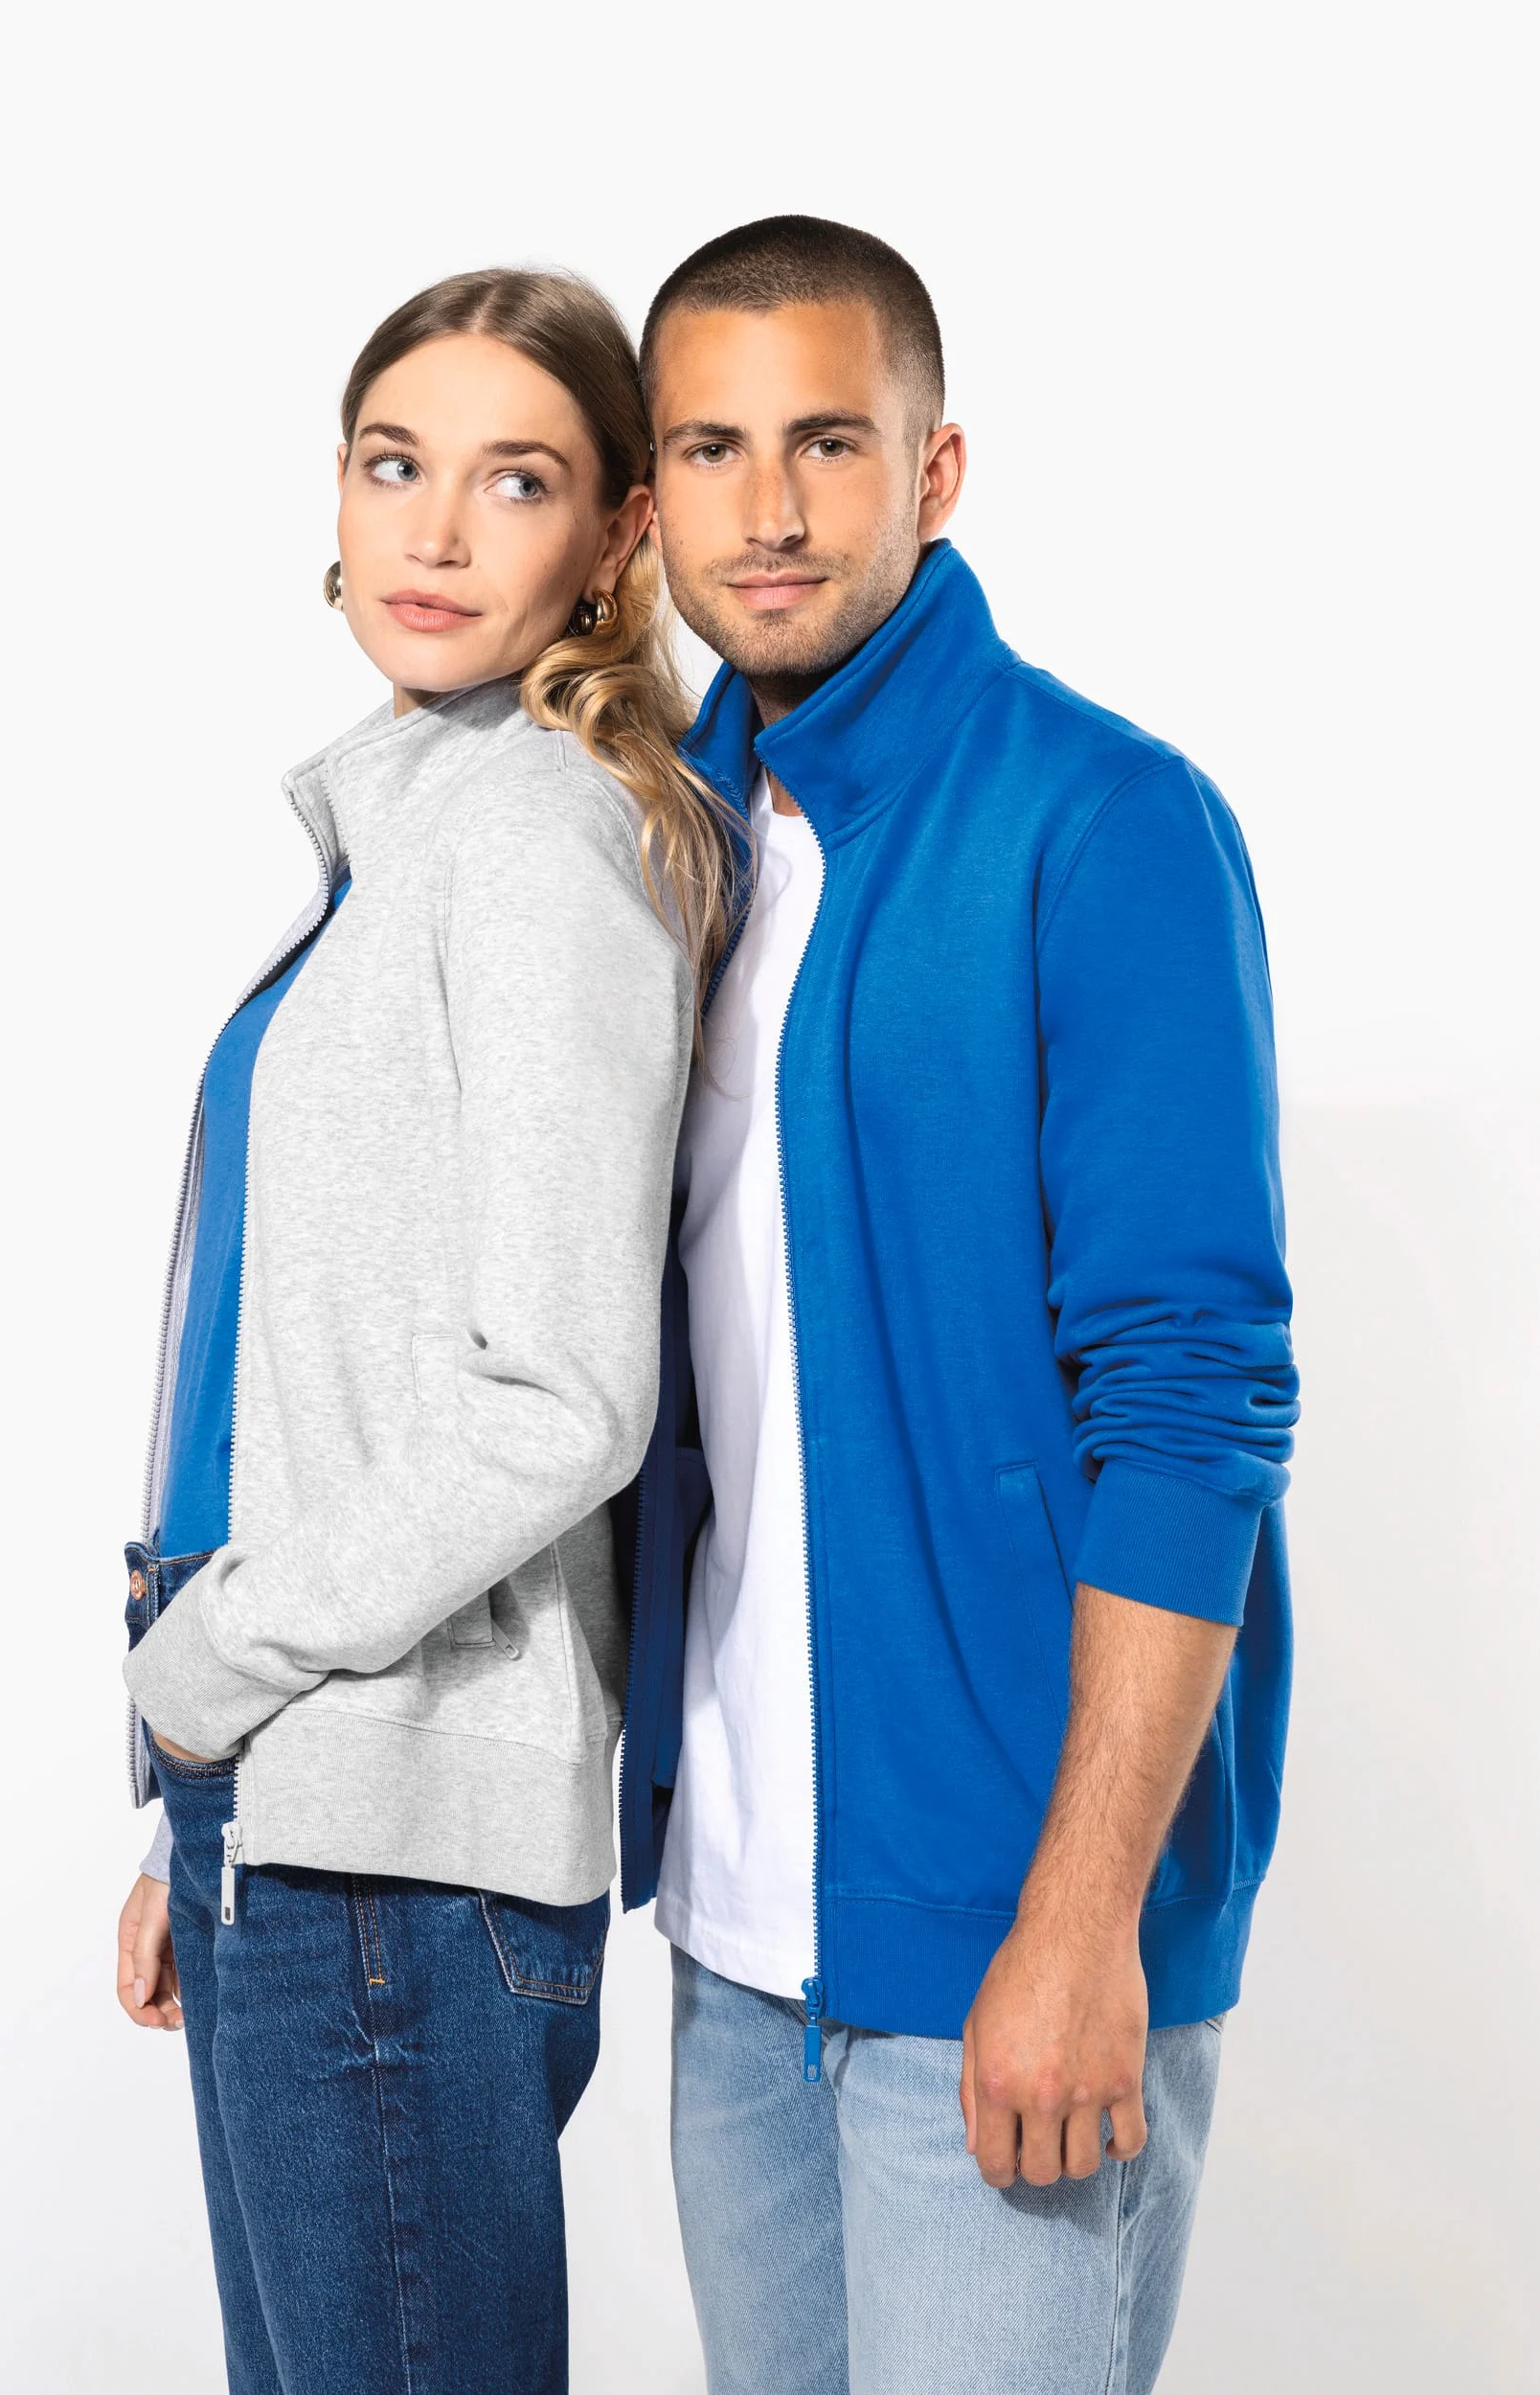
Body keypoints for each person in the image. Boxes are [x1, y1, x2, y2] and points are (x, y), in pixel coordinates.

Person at [618, 217, 1299, 2395]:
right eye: (711, 449)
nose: (770, 507)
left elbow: (1189, 1404)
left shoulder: (1102, 824)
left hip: (1011, 1936)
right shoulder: (669, 849)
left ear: (935, 470)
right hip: (736, 1938)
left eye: (827, 441)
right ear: (650, 497)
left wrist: (1079, 1917)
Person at [113, 268, 734, 2395]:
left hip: (392, 1828)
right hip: (301, 1807)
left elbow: (559, 1396)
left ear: (616, 533)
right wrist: (198, 1803)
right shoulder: (412, 832)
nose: (438, 532)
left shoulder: (539, 838)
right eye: (397, 466)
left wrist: (214, 1669)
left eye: (516, 480)